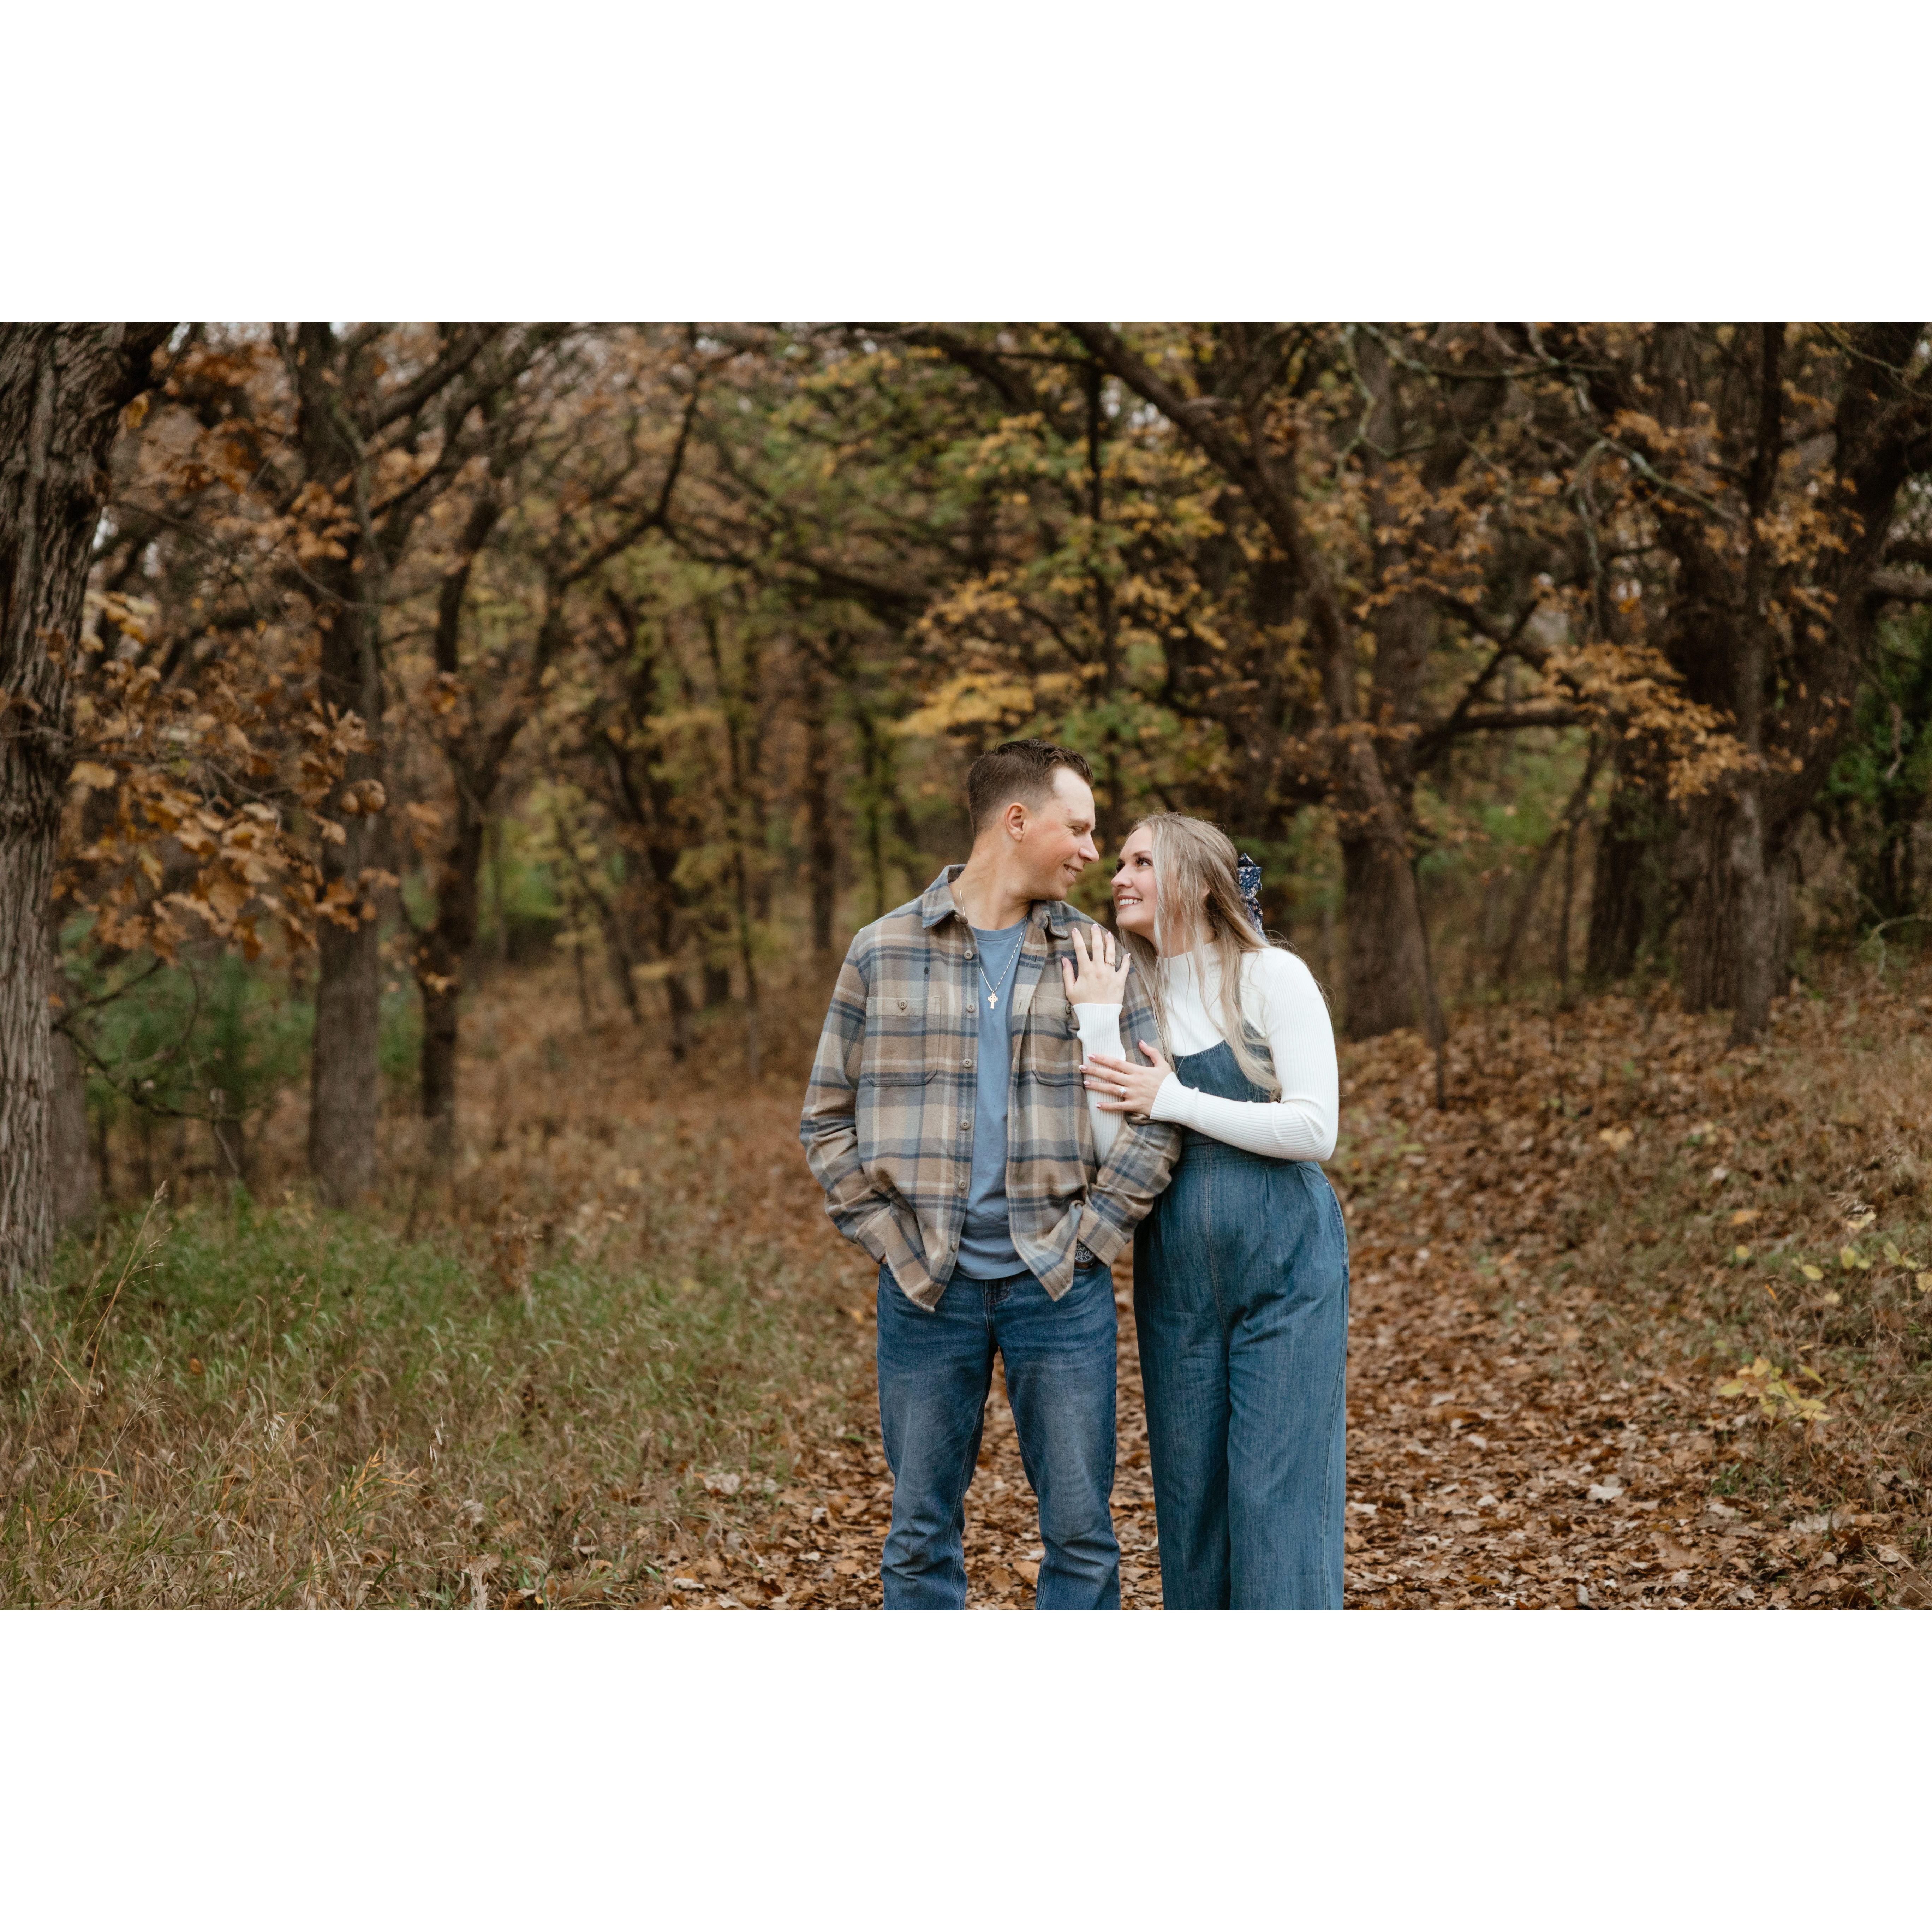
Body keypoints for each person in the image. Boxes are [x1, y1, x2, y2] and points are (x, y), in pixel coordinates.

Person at [799, 740, 1179, 1609]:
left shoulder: (1096, 955)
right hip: (926, 1291)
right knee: (919, 1535)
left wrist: (1090, 1241)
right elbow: (825, 1118)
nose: (1093, 852)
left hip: (1059, 1289)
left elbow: (1155, 1116)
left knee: (1081, 1535)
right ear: (1017, 821)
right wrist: (891, 1241)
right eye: (1078, 829)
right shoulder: (882, 950)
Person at [1072, 812, 1347, 1609]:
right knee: (1191, 1499)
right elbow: (1111, 1151)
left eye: (1141, 862)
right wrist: (1097, 1020)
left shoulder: (1271, 976)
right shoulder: (1135, 993)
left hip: (1287, 1269)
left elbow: (1315, 1130)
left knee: (1274, 1495)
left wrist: (1178, 1100)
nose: (1118, 876)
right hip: (1177, 1278)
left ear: (1194, 881)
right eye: (1119, 862)